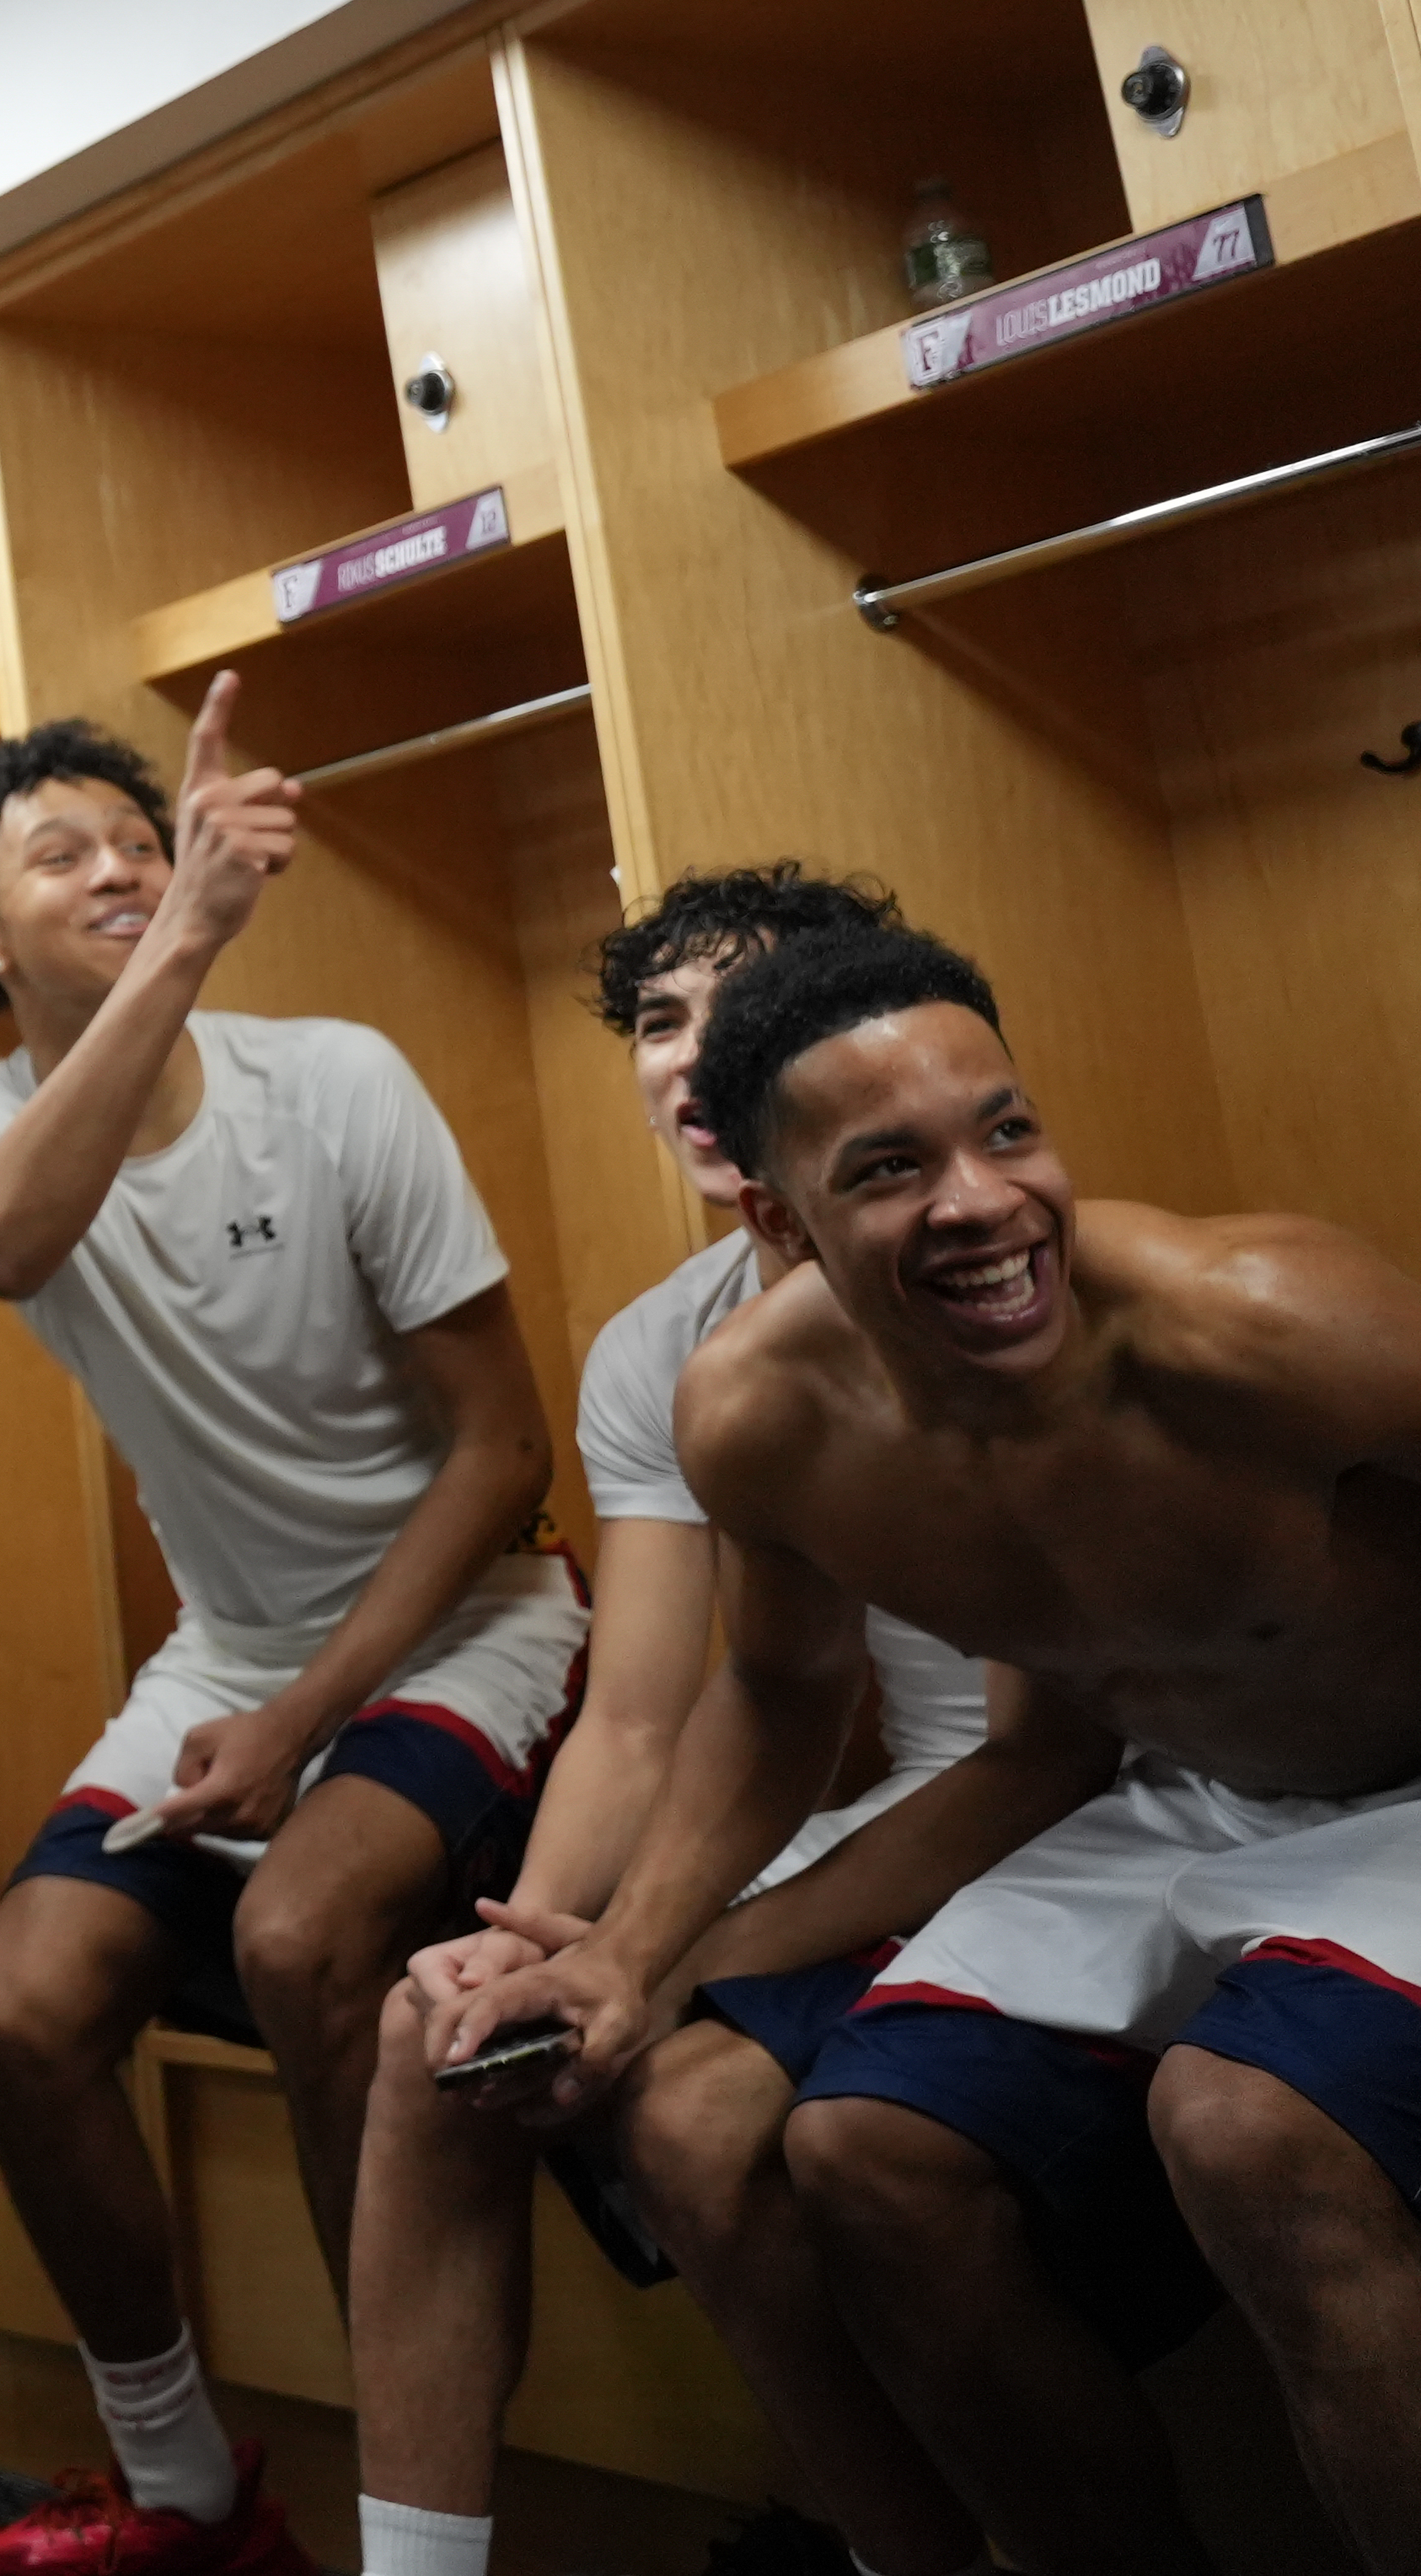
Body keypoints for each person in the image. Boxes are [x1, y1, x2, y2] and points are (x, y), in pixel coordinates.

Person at [442, 923, 1421, 2575]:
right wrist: (627, 1960)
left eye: (1008, 1128)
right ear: (779, 1218)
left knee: (1246, 2121)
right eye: (890, 1167)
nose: (987, 1200)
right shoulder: (756, 1415)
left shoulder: (1258, 1315)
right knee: (864, 2152)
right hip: (1174, 1788)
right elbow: (776, 1697)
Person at [0, 687, 573, 2576]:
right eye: (61, 854)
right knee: (22, 2009)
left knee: (299, 1931)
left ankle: (421, 2529)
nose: (119, 866)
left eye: (140, 836)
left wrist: (309, 1720)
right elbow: (8, 1239)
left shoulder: (334, 1081)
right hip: (234, 1644)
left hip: (472, 1625)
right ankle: (186, 2496)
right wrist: (174, 937)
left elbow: (508, 1447)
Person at [341, 872, 1109, 2576]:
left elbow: (1039, 1752)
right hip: (890, 1816)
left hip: (1045, 1817)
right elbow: (636, 1717)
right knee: (441, 2028)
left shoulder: (980, 1274)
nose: (699, 1056)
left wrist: (662, 1953)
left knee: (684, 2102)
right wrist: (539, 1938)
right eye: (666, 1017)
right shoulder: (664, 1345)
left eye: (748, 1011)